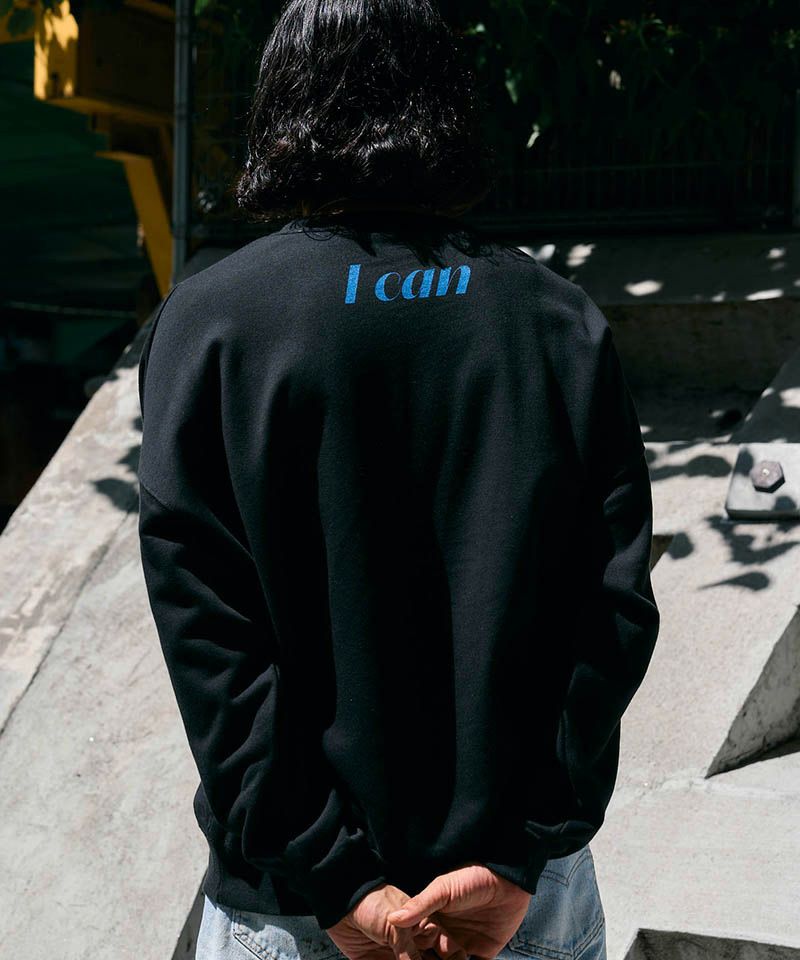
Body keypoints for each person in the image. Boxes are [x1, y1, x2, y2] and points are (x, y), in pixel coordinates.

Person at [136, 1, 660, 959]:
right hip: (516, 898)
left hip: (297, 908)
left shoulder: (212, 324)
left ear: (283, 98)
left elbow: (211, 639)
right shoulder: (553, 319)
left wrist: (336, 877)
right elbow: (612, 606)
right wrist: (518, 848)